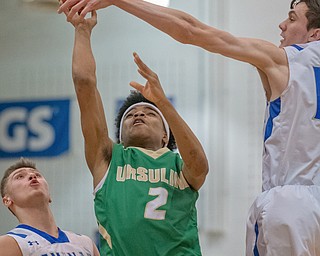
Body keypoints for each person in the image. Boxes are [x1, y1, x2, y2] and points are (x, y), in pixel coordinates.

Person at [58, 0, 320, 255]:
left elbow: (190, 29)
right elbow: (84, 84)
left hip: (292, 203)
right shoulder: (110, 158)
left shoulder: (285, 60)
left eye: (292, 18)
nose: (282, 25)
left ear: (315, 34)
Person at [64, 9, 208, 256]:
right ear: (120, 136)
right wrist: (82, 31)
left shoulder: (178, 165)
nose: (138, 115)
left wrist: (163, 103)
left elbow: (201, 166)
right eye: (130, 115)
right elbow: (84, 84)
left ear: (166, 135)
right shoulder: (108, 159)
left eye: (150, 113)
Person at [0, 157, 100, 256]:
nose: (32, 176)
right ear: (7, 200)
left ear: (49, 195)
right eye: (20, 176)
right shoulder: (8, 244)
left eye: (37, 175)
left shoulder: (85, 243)